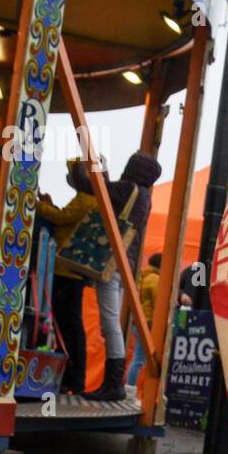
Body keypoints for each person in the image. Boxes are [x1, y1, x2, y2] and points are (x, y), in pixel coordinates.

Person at [88, 151, 162, 401]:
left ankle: (113, 384)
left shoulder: (126, 188)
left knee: (109, 324)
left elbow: (98, 189)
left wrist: (95, 168)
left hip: (111, 261)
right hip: (126, 264)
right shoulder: (144, 196)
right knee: (112, 323)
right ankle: (113, 383)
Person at [36, 162, 97, 394]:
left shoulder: (85, 199)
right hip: (73, 271)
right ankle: (72, 378)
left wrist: (36, 204)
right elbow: (66, 218)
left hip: (66, 270)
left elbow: (60, 219)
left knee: (68, 324)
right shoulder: (90, 199)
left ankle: (73, 378)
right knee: (69, 324)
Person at [126, 252, 162, 392]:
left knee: (138, 358)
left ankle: (130, 389)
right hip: (149, 324)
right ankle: (131, 390)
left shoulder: (144, 276)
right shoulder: (155, 279)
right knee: (140, 359)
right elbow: (159, 302)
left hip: (140, 323)